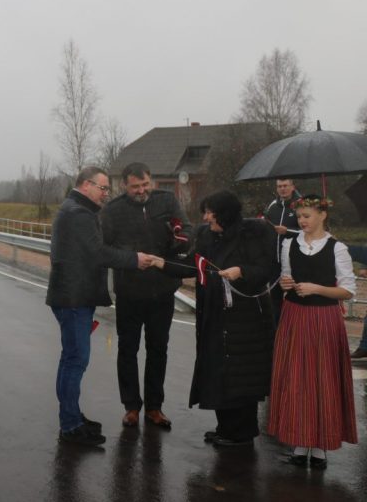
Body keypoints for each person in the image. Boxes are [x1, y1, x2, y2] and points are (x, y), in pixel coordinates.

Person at [157, 190, 278, 448]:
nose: (205, 217)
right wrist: (160, 263)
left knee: (241, 375)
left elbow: (265, 270)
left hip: (245, 319)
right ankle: (225, 427)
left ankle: (241, 432)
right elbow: (193, 265)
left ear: (225, 214)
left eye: (210, 212)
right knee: (217, 371)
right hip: (213, 313)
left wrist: (241, 271)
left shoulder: (252, 234)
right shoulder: (207, 236)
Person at [47, 167, 156, 446]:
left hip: (71, 296)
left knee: (70, 359)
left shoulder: (74, 209)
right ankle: (70, 425)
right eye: (103, 188)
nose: (106, 194)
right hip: (74, 298)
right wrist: (134, 259)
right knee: (75, 361)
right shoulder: (79, 214)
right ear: (86, 185)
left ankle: (71, 415)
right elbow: (98, 253)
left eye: (107, 189)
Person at [267, 194, 357, 468]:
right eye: (299, 217)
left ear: (322, 215)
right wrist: (286, 284)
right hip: (294, 316)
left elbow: (348, 291)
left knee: (322, 379)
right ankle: (299, 441)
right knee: (296, 378)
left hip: (324, 318)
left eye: (307, 216)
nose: (302, 221)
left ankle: (319, 447)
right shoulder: (289, 244)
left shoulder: (337, 248)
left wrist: (317, 288)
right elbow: (286, 279)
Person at [100, 162, 191, 430]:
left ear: (151, 181)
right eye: (135, 186)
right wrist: (131, 260)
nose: (141, 191)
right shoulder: (112, 211)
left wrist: (180, 238)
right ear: (124, 185)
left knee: (158, 349)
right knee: (128, 349)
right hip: (129, 292)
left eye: (145, 184)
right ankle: (131, 407)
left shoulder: (167, 200)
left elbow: (188, 229)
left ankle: (154, 407)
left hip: (162, 290)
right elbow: (103, 250)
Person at [263, 178, 301, 321]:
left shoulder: (301, 204)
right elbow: (266, 226)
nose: (282, 189)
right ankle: (276, 329)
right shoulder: (273, 205)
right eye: (279, 186)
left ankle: (295, 326)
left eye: (285, 186)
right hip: (274, 260)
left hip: (295, 260)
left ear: (293, 187)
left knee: (295, 296)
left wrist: (287, 231)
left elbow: (308, 231)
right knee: (274, 298)